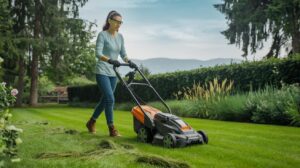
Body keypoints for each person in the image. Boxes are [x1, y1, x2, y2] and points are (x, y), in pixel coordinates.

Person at [86, 10, 138, 137]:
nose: (119, 25)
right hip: (102, 70)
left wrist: (129, 61)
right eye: (116, 22)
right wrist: (109, 60)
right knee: (110, 98)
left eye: (120, 22)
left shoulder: (120, 37)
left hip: (113, 73)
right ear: (110, 21)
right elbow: (98, 53)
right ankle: (112, 128)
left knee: (105, 100)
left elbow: (123, 54)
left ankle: (91, 122)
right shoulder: (102, 35)